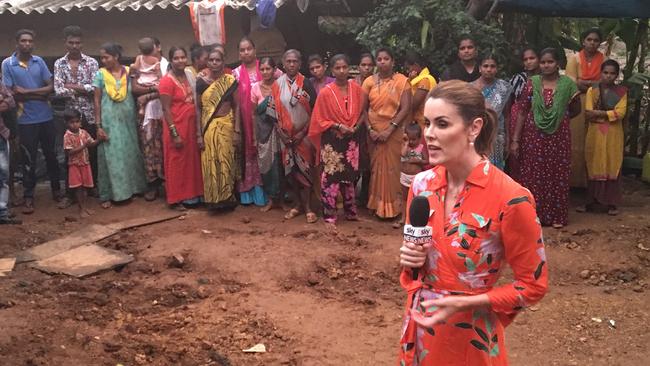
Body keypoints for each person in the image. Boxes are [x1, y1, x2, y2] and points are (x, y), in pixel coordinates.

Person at [397, 80, 548, 366]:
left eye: (442, 124)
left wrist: (465, 303)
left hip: (471, 339)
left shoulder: (511, 199)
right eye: (427, 123)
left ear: (474, 128)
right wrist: (410, 258)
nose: (429, 134)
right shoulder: (421, 185)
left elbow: (533, 286)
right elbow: (418, 267)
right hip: (419, 330)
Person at [510, 48, 580, 228]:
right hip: (533, 137)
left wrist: (559, 117)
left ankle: (557, 216)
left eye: (550, 62)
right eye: (543, 62)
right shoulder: (532, 83)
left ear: (558, 63)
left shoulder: (568, 85)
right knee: (533, 173)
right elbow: (523, 111)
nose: (546, 65)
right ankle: (532, 215)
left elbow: (576, 109)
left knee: (558, 173)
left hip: (559, 137)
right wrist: (515, 140)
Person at [2, 29, 60, 215]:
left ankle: (57, 191)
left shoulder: (39, 61)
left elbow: (51, 87)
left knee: (51, 155)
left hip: (46, 116)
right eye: (23, 41)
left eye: (30, 41)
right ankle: (28, 197)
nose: (27, 44)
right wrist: (39, 94)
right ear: (17, 42)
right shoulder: (8, 64)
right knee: (28, 159)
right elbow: (11, 92)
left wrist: (27, 93)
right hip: (25, 119)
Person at [309, 54, 364, 227]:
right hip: (332, 141)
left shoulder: (356, 89)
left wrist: (355, 127)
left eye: (344, 67)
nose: (341, 71)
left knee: (349, 177)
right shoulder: (326, 92)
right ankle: (329, 215)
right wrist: (338, 125)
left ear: (349, 68)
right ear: (331, 70)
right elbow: (318, 119)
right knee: (330, 178)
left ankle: (350, 212)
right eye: (337, 68)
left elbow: (363, 113)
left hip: (351, 140)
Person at [93, 42, 147, 208]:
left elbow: (137, 90)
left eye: (106, 57)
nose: (103, 60)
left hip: (128, 120)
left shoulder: (129, 72)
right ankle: (109, 194)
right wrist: (98, 125)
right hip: (109, 121)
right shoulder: (100, 75)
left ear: (116, 56)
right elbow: (96, 100)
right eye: (102, 57)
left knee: (130, 153)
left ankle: (134, 189)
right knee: (111, 156)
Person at [362, 47, 411, 220]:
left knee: (393, 169)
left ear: (393, 61)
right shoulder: (368, 82)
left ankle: (394, 209)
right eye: (379, 59)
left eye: (386, 59)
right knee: (376, 169)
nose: (382, 62)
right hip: (373, 131)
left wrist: (390, 129)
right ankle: (375, 205)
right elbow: (363, 109)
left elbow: (405, 108)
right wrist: (370, 130)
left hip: (394, 130)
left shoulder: (402, 81)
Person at [53, 25, 100, 209]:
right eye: (71, 42)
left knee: (91, 152)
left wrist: (71, 86)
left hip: (87, 114)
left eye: (77, 43)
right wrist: (81, 88)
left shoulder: (91, 63)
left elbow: (94, 88)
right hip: (68, 116)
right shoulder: (59, 64)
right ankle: (70, 193)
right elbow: (58, 90)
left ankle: (91, 188)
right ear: (66, 43)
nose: (74, 46)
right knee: (67, 154)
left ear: (82, 44)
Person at [273, 49, 318, 223]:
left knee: (305, 172)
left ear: (300, 64)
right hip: (285, 138)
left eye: (295, 61)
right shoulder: (277, 85)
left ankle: (308, 207)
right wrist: (281, 133)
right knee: (291, 172)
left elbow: (315, 111)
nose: (291, 64)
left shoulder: (306, 83)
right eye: (288, 61)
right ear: (283, 63)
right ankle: (297, 205)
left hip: (303, 137)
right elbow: (273, 112)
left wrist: (303, 132)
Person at [580, 60, 627, 216]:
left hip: (614, 135)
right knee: (593, 162)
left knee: (612, 163)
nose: (608, 76)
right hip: (595, 133)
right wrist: (608, 115)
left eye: (612, 73)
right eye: (605, 72)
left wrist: (600, 114)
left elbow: (620, 113)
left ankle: (612, 203)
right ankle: (591, 202)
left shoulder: (621, 92)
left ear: (616, 75)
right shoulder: (592, 91)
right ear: (601, 73)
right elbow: (588, 112)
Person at [159, 47, 204, 210]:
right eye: (176, 58)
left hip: (191, 127)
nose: (180, 61)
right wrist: (174, 133)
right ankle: (176, 199)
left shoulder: (190, 76)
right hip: (176, 127)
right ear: (171, 60)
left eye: (183, 57)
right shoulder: (166, 81)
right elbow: (165, 109)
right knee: (176, 163)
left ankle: (192, 197)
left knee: (191, 163)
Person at [197, 49, 240, 210]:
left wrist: (237, 131)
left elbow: (237, 106)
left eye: (217, 60)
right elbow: (198, 109)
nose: (214, 63)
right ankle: (213, 200)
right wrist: (198, 135)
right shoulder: (201, 82)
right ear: (207, 62)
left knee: (226, 161)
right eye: (211, 60)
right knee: (210, 162)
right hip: (208, 127)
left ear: (223, 62)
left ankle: (228, 198)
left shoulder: (230, 80)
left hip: (226, 126)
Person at [566, 28, 606, 188]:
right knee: (575, 140)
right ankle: (573, 182)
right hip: (577, 103)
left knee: (592, 141)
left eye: (596, 40)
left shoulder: (604, 59)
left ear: (599, 43)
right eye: (589, 39)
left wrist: (585, 83)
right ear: (583, 41)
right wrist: (591, 84)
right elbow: (571, 83)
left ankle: (589, 183)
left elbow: (604, 82)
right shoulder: (574, 59)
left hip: (597, 103)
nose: (592, 43)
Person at [233, 37, 266, 206]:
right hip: (246, 123)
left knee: (266, 155)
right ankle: (249, 191)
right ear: (239, 53)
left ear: (255, 50)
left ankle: (269, 191)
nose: (246, 52)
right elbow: (236, 103)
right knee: (248, 156)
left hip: (267, 123)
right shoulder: (236, 73)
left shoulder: (266, 68)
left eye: (249, 49)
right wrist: (238, 128)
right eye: (242, 50)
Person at [131, 37, 165, 200]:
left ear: (158, 47)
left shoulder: (165, 64)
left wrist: (146, 97)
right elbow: (135, 89)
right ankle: (153, 184)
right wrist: (152, 90)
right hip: (147, 115)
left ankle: (168, 184)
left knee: (165, 147)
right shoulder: (144, 62)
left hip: (164, 113)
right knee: (149, 147)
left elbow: (166, 88)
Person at [251, 57, 284, 212]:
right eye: (262, 69)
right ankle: (271, 199)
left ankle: (282, 200)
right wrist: (255, 137)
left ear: (274, 69)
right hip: (263, 133)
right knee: (266, 166)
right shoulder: (255, 88)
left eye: (268, 69)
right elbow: (254, 114)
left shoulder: (280, 86)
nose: (265, 72)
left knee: (281, 165)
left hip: (280, 133)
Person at [471, 55, 512, 170]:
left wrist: (508, 140)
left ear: (497, 69)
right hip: (476, 136)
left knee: (495, 172)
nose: (489, 69)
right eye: (485, 66)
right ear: (479, 68)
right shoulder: (470, 88)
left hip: (497, 138)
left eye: (492, 66)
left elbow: (507, 114)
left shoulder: (504, 88)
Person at [63, 108, 103, 217]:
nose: (75, 125)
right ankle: (81, 209)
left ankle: (85, 208)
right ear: (66, 123)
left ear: (80, 122)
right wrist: (84, 146)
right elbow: (69, 152)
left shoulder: (84, 133)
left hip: (85, 163)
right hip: (75, 165)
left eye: (77, 122)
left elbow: (92, 143)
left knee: (85, 187)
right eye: (72, 122)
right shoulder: (67, 136)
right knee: (78, 188)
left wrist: (99, 140)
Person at [508, 48, 540, 180]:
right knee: (518, 154)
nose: (529, 62)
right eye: (525, 59)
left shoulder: (548, 80)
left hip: (540, 122)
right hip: (518, 120)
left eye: (532, 58)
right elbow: (510, 101)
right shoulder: (518, 79)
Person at [397, 122, 428, 228]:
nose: (411, 142)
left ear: (419, 138)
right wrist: (405, 144)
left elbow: (426, 161)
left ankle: (413, 220)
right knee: (404, 198)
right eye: (409, 139)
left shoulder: (420, 147)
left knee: (416, 199)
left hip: (416, 177)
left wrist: (418, 161)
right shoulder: (405, 146)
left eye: (414, 139)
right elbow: (403, 154)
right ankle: (403, 218)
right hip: (404, 175)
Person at [355, 52, 375, 206]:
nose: (366, 68)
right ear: (358, 67)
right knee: (353, 162)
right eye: (364, 65)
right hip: (352, 129)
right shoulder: (352, 84)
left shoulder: (377, 84)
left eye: (369, 65)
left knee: (368, 163)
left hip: (370, 128)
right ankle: (350, 197)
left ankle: (365, 197)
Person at [0, 81, 20, 224]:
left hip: (1, 135)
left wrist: (4, 101)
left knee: (3, 175)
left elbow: (11, 101)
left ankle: (2, 212)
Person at [404, 51, 437, 130]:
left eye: (408, 68)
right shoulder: (420, 79)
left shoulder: (425, 80)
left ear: (416, 65)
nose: (408, 71)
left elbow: (413, 105)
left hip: (422, 125)